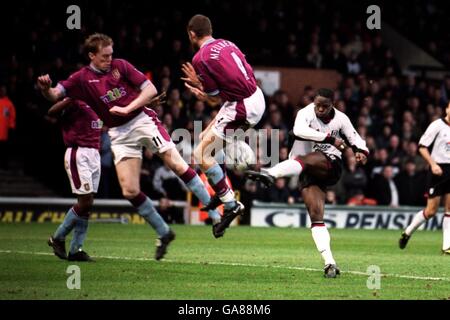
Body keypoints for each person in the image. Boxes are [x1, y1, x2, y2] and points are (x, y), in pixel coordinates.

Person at [37, 33, 221, 260]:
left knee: (175, 163)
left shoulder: (121, 66)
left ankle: (215, 214)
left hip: (141, 120)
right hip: (119, 133)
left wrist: (127, 108)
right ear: (91, 55)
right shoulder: (81, 79)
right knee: (130, 190)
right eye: (104, 56)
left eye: (111, 54)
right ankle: (163, 232)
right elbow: (55, 95)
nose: (109, 59)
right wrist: (45, 88)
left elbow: (151, 89)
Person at [246, 88, 369, 278]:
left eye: (324, 106)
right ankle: (330, 263)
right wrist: (330, 138)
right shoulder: (304, 113)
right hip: (307, 172)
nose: (319, 109)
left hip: (330, 165)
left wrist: (362, 151)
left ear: (332, 105)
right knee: (316, 216)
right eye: (317, 105)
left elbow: (355, 137)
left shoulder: (341, 119)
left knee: (310, 158)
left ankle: (271, 173)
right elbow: (299, 131)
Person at [181, 14, 266, 237]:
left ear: (192, 34)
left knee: (201, 155)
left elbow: (212, 98)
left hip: (240, 106)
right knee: (205, 140)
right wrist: (206, 91)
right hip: (255, 97)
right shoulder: (227, 43)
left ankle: (231, 205)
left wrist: (200, 88)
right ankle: (222, 191)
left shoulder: (201, 58)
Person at [46, 98, 101, 262]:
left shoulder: (98, 100)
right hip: (79, 153)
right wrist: (70, 97)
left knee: (87, 205)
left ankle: (76, 249)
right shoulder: (75, 100)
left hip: (95, 153)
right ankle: (58, 237)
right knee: (86, 202)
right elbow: (51, 112)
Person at [399, 101, 450, 255]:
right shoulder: (437, 125)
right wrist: (433, 164)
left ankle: (446, 246)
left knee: (449, 209)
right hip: (438, 170)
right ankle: (408, 232)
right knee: (431, 211)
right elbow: (422, 147)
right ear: (447, 109)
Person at [0, 85, 16, 170]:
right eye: (1, 90)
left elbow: (12, 117)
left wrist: (11, 127)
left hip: (4, 131)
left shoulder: (9, 103)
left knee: (4, 150)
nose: (2, 91)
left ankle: (4, 165)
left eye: (4, 90)